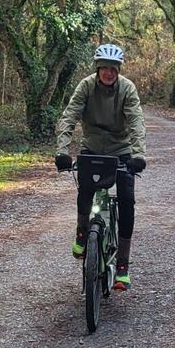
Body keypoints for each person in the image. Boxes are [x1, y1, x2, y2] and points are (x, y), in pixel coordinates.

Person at [54, 42, 146, 292]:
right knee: (85, 190)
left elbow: (136, 122)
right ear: (97, 69)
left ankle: (123, 265)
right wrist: (62, 151)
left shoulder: (127, 88)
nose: (108, 73)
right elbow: (69, 116)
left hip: (121, 150)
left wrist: (138, 155)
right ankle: (83, 233)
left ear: (118, 70)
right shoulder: (85, 86)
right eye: (104, 68)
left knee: (127, 201)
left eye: (113, 69)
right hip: (92, 148)